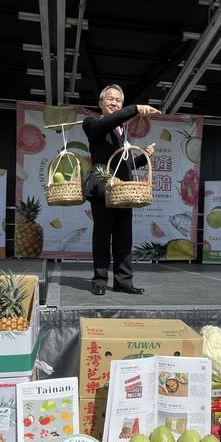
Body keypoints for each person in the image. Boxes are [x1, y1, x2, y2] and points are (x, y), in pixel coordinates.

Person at [82, 84, 159, 295]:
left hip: (124, 192)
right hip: (103, 190)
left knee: (124, 237)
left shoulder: (122, 132)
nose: (115, 103)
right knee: (102, 236)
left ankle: (123, 281)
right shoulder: (92, 124)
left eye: (118, 100)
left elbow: (123, 164)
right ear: (101, 103)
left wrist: (143, 157)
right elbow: (110, 121)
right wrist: (134, 109)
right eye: (111, 99)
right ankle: (99, 280)